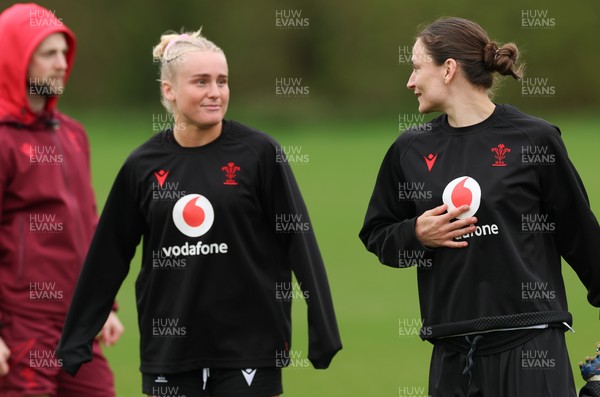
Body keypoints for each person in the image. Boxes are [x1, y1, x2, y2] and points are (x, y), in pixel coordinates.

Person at [57, 28, 342, 397]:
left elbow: (298, 241)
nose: (215, 92)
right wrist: (76, 338)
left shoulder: (258, 154)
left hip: (250, 347)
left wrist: (322, 329)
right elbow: (108, 254)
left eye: (222, 81)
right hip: (170, 351)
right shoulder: (142, 166)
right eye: (201, 81)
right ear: (168, 90)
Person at [359, 16, 600, 397]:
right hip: (451, 352)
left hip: (530, 344)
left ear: (449, 69)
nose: (410, 81)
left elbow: (581, 235)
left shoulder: (533, 138)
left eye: (417, 67)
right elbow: (376, 233)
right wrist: (415, 234)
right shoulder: (409, 149)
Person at [0, 3, 123, 397]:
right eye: (48, 53)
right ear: (15, 57)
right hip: (22, 327)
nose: (61, 64)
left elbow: (88, 224)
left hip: (78, 324)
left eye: (64, 53)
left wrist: (105, 305)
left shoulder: (72, 134)